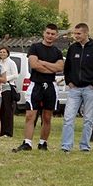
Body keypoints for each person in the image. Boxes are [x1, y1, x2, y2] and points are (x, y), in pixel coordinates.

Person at [12, 24, 65, 152]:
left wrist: (44, 63)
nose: (50, 36)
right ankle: (27, 143)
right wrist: (49, 67)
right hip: (35, 85)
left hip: (51, 86)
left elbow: (60, 68)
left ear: (56, 35)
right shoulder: (35, 48)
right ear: (44, 33)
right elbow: (34, 64)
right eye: (48, 33)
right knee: (30, 115)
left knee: (47, 117)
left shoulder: (57, 52)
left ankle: (43, 143)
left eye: (53, 34)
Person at [60, 23, 93, 153]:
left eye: (78, 34)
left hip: (89, 89)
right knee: (68, 117)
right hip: (74, 89)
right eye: (75, 33)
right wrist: (69, 81)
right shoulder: (72, 49)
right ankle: (66, 145)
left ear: (86, 33)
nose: (76, 36)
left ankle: (85, 145)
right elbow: (67, 67)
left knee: (88, 119)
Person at [0, 47, 19, 138]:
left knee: (8, 110)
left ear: (7, 53)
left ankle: (8, 132)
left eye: (4, 52)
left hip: (8, 88)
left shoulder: (11, 63)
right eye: (1, 52)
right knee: (1, 110)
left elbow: (15, 75)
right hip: (0, 88)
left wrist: (5, 79)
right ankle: (1, 131)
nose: (2, 53)